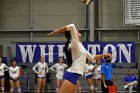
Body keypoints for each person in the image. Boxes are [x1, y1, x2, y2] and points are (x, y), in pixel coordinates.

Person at [47, 23, 111, 93]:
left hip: (74, 76)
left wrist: (104, 54)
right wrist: (55, 32)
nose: (77, 31)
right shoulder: (75, 43)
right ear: (72, 35)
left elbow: (92, 57)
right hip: (71, 75)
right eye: (76, 31)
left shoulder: (81, 46)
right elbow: (72, 26)